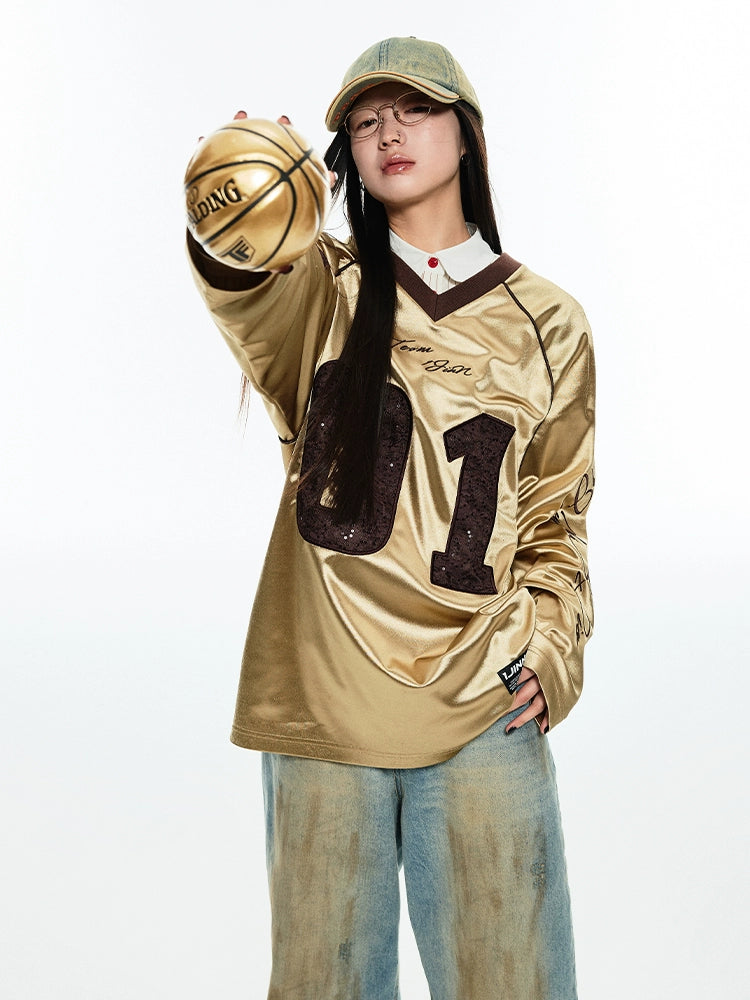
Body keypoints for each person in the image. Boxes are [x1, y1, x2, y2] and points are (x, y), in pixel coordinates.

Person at [187, 35, 594, 1000]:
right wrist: (239, 194)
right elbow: (239, 283)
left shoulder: (550, 322)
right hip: (323, 699)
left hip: (484, 697)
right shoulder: (318, 286)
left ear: (468, 134)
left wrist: (550, 650)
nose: (388, 133)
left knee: (516, 983)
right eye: (365, 122)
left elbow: (556, 522)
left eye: (413, 109)